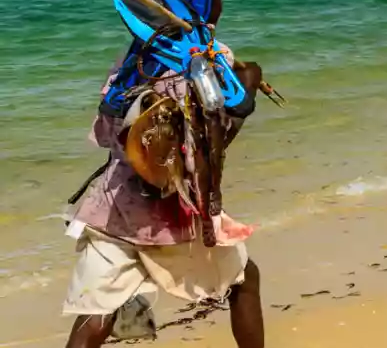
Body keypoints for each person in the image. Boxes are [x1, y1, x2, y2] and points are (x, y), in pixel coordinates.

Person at [63, 43, 268, 347]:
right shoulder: (213, 58)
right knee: (244, 280)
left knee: (96, 313)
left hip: (113, 207)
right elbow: (211, 146)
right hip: (172, 210)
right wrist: (247, 91)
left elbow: (107, 134)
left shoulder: (131, 61)